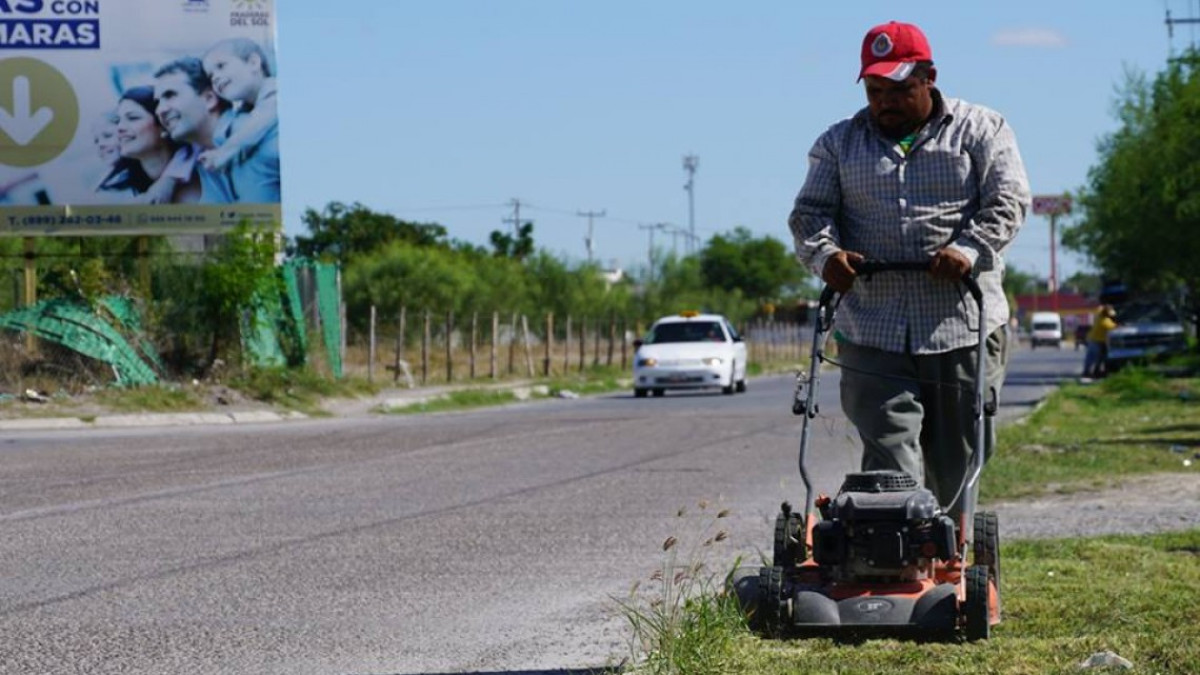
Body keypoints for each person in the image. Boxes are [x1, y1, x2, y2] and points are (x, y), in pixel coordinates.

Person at [788, 21, 1031, 519]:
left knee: (957, 460)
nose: (885, 103)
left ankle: (953, 566)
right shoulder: (838, 144)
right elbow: (809, 215)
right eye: (875, 91)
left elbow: (1008, 202)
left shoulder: (981, 129)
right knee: (889, 458)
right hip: (872, 329)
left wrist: (967, 249)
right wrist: (826, 255)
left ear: (929, 78)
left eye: (898, 90)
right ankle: (893, 567)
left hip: (961, 327)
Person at [200, 37, 280, 203]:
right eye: (211, 76)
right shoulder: (240, 114)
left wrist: (222, 153)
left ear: (253, 62)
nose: (215, 78)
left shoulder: (275, 91)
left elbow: (259, 122)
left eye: (221, 66)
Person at [152, 57, 234, 204]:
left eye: (170, 95)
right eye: (158, 102)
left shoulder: (261, 141)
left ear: (209, 99)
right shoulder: (199, 159)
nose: (160, 110)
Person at [97, 86, 199, 203]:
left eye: (133, 118)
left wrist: (171, 177)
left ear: (164, 125)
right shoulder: (116, 194)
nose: (120, 128)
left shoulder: (205, 170)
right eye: (118, 121)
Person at [1082, 305, 1118, 379]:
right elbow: (1114, 327)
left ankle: (1087, 371)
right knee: (1098, 357)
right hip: (1097, 341)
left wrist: (1104, 306)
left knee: (1090, 357)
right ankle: (1095, 372)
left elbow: (1100, 308)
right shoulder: (1104, 321)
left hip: (1091, 338)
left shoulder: (1099, 315)